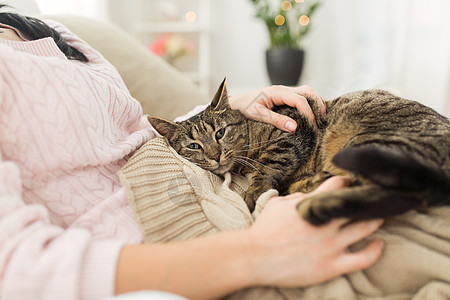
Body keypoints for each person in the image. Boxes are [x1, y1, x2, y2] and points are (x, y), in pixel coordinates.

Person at [0, 6, 385, 300]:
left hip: (214, 196)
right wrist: (258, 252)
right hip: (186, 257)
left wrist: (236, 106)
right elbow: (17, 271)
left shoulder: (44, 28)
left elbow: (130, 136)